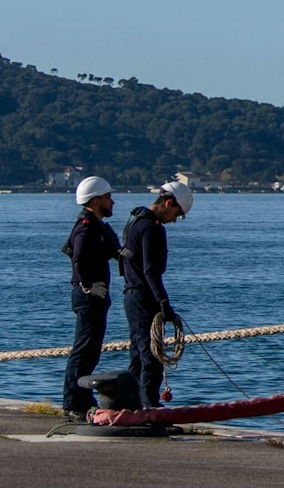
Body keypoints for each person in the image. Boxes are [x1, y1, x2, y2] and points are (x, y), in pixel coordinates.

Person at [121, 180, 193, 408]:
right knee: (151, 355)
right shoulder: (152, 227)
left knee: (137, 353)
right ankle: (148, 406)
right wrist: (164, 303)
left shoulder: (135, 221)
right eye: (177, 213)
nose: (175, 219)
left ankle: (132, 403)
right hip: (144, 297)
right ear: (168, 203)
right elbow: (151, 270)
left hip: (131, 294)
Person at [61, 176, 121, 418]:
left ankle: (82, 398)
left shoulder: (97, 226)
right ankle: (73, 402)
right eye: (108, 198)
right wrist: (87, 286)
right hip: (89, 296)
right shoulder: (86, 227)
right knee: (84, 351)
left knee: (91, 352)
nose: (112, 202)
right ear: (96, 201)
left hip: (95, 295)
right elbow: (77, 257)